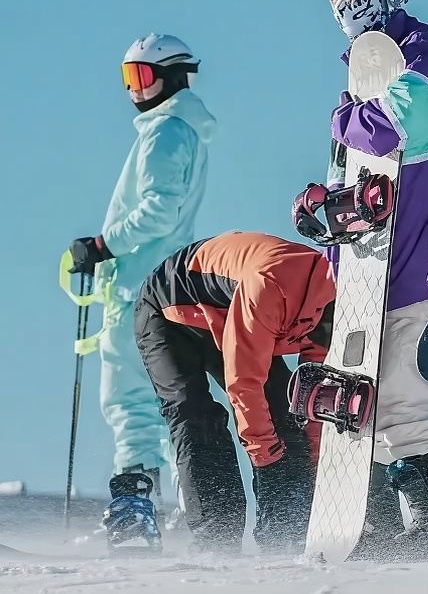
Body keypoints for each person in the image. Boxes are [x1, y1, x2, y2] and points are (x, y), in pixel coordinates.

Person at [307, 0, 428, 558]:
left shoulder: (425, 50)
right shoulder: (361, 77)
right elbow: (357, 179)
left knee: (409, 393)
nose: (343, 2)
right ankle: (381, 521)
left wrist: (342, 119)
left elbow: (402, 127)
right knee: (368, 410)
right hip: (372, 272)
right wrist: (334, 237)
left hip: (424, 261)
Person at [67, 33, 217, 515]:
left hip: (136, 290)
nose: (133, 89)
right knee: (170, 401)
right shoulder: (178, 129)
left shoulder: (166, 131)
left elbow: (159, 209)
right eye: (127, 77)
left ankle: (135, 511)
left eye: (143, 76)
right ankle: (190, 514)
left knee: (128, 400)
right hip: (162, 287)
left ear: (172, 76)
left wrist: (102, 245)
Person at [132, 232, 333, 555]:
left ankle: (286, 532)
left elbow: (309, 399)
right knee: (195, 415)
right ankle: (217, 538)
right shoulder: (270, 289)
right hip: (168, 310)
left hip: (229, 315)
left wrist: (311, 460)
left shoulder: (334, 310)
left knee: (285, 414)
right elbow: (244, 385)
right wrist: (267, 459)